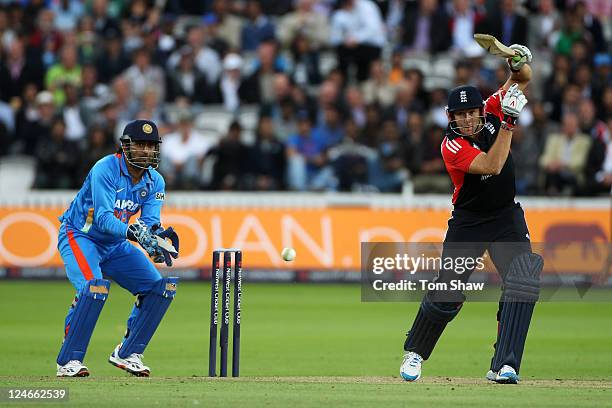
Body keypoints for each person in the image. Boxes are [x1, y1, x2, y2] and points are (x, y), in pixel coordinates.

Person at [400, 44, 539, 384]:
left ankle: (504, 365)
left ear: (480, 110)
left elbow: (523, 78)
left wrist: (517, 62)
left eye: (470, 113)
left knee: (523, 280)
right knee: (448, 289)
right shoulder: (451, 145)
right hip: (470, 221)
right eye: (457, 115)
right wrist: (508, 124)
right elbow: (492, 164)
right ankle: (415, 353)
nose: (465, 119)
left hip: (506, 216)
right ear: (450, 118)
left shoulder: (493, 108)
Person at [55, 119, 180, 377]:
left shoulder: (155, 181)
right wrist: (133, 232)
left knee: (161, 288)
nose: (146, 151)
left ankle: (128, 353)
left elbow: (149, 223)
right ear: (126, 146)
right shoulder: (105, 169)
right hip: (81, 235)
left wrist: (156, 240)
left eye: (151, 146)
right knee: (94, 287)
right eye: (140, 145)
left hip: (115, 244)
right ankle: (68, 360)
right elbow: (101, 217)